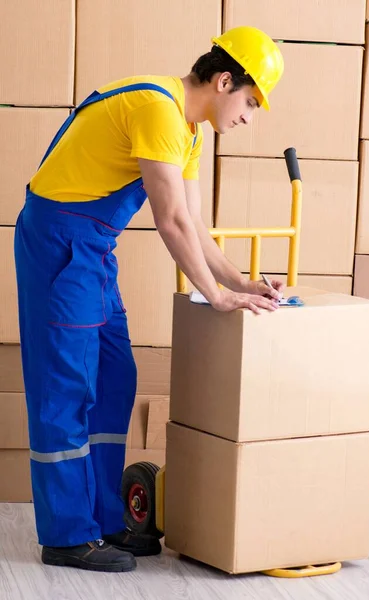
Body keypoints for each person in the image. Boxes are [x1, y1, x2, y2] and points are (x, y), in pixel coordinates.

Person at [14, 26, 284, 572]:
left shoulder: (188, 130)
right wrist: (215, 298)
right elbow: (170, 222)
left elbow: (195, 227)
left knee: (115, 377)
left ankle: (104, 519)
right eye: (251, 103)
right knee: (66, 385)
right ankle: (67, 534)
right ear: (225, 80)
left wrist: (238, 283)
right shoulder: (158, 109)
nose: (249, 117)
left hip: (92, 248)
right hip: (60, 243)